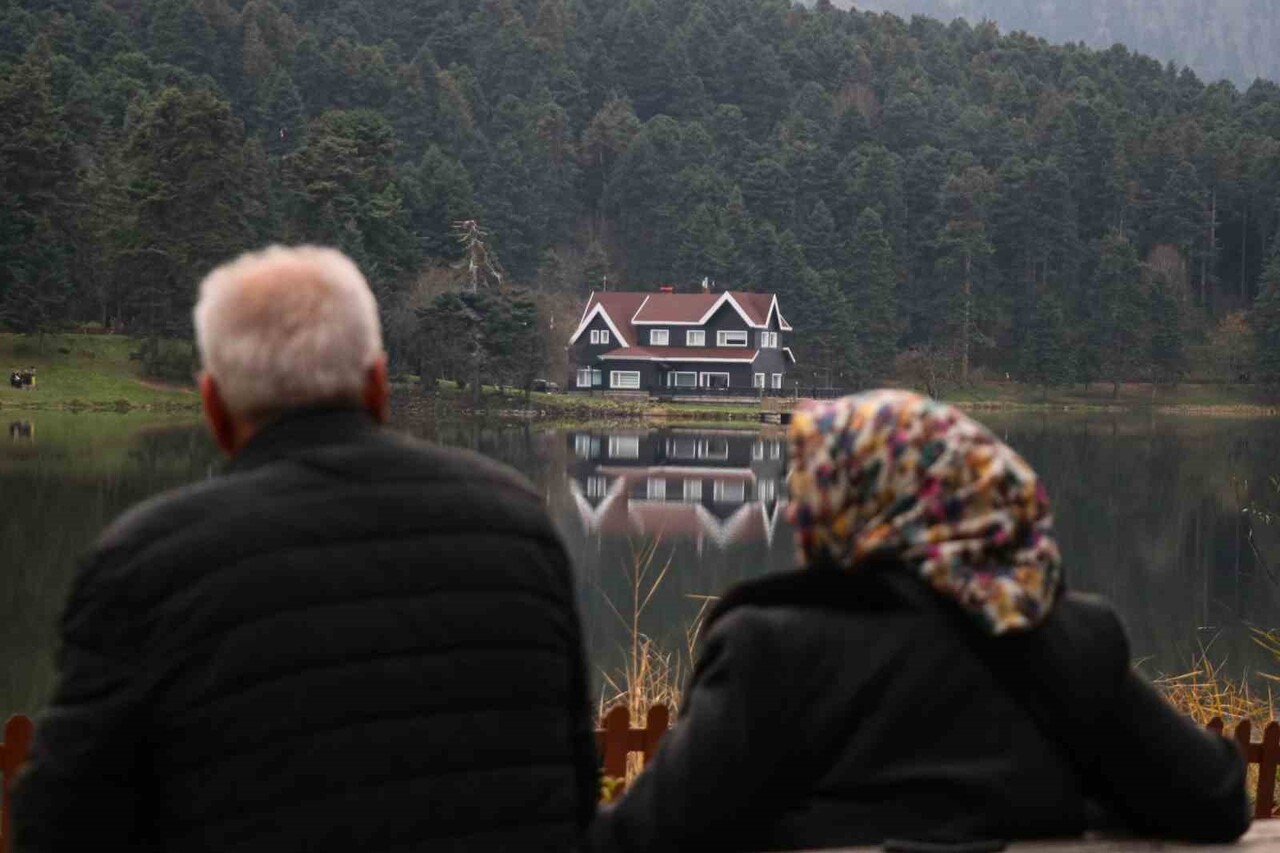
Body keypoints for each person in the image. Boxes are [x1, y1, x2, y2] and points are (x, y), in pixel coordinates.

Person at [14, 246, 597, 852]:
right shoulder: (517, 525)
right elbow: (576, 784)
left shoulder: (147, 562)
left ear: (214, 408)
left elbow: (63, 822)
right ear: (378, 386)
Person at [591, 389, 1249, 852]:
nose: (797, 514)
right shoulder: (1068, 640)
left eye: (819, 491)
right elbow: (1216, 796)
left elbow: (642, 837)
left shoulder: (772, 649)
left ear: (873, 504)